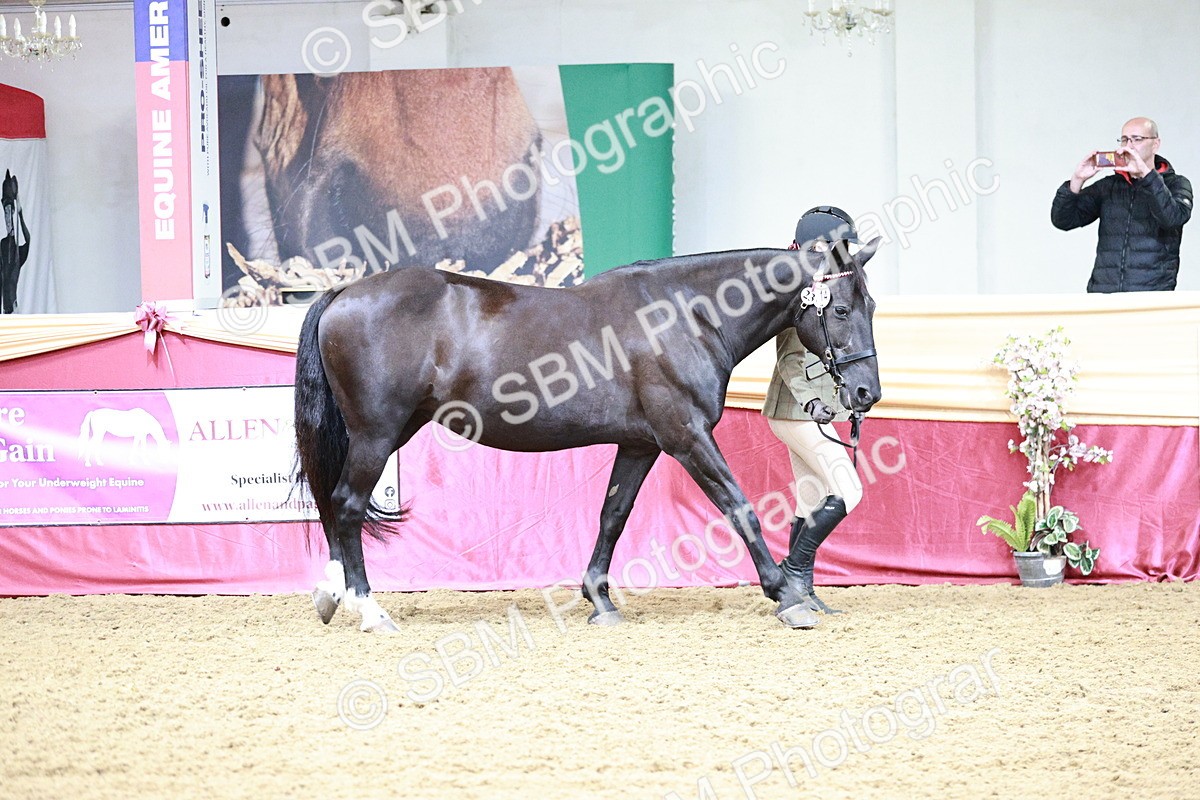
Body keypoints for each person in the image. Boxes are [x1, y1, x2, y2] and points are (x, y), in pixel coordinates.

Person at [763, 206, 866, 615]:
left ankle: (800, 590)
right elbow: (789, 359)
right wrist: (811, 400)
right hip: (795, 410)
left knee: (810, 497)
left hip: (809, 411)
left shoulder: (829, 288)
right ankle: (793, 569)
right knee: (849, 490)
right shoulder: (801, 293)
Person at [1051, 116, 1193, 292]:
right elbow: (1063, 220)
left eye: (1137, 139)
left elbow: (1172, 218)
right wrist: (1077, 180)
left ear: (1156, 144)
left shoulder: (1176, 184)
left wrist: (1147, 177)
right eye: (1124, 139)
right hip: (1104, 293)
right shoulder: (1109, 186)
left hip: (1153, 296)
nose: (1129, 146)